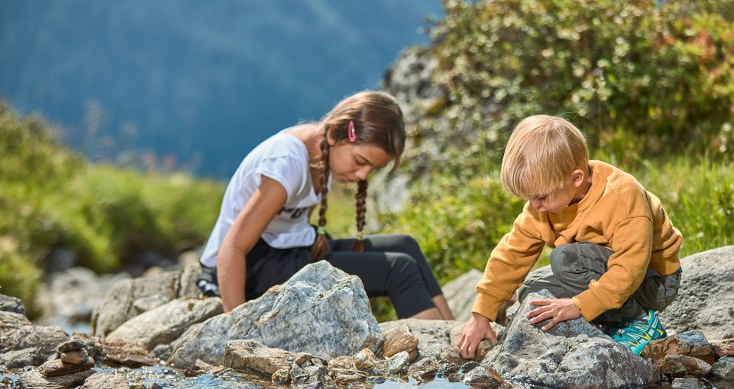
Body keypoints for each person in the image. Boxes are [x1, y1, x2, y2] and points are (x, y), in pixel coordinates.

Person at [197, 91, 454, 320]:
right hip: (251, 264)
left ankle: (450, 332)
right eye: (360, 161)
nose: (363, 175)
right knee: (398, 269)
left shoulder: (323, 152)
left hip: (285, 250)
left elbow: (295, 225)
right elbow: (233, 246)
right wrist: (235, 325)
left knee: (405, 245)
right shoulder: (286, 163)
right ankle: (437, 356)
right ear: (334, 134)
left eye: (372, 169)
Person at [457, 115, 682, 358]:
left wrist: (578, 305)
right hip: (604, 271)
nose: (534, 205)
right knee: (532, 294)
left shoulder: (622, 196)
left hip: (652, 281)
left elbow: (631, 267)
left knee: (564, 258)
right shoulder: (541, 206)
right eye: (529, 198)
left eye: (541, 197)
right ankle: (606, 316)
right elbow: (512, 254)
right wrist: (481, 315)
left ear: (575, 178)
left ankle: (639, 322)